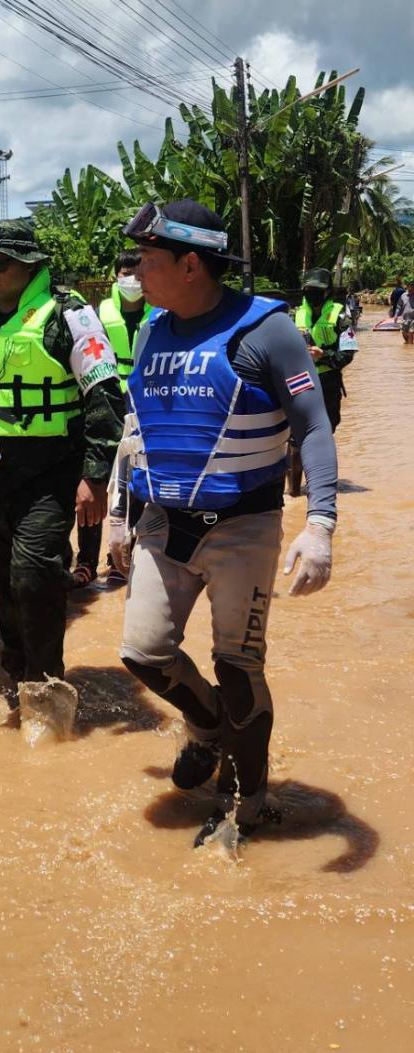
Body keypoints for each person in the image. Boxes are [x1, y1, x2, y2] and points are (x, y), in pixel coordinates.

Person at [113, 200, 338, 847]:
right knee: (143, 650)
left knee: (238, 666)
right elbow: (138, 429)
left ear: (190, 264)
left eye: (145, 261)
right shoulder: (151, 330)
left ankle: (248, 803)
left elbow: (313, 425)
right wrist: (118, 515)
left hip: (244, 522)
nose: (134, 273)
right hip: (164, 521)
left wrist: (319, 522)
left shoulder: (265, 331)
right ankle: (208, 725)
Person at [0, 219, 124, 706]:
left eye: (1, 264)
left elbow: (104, 396)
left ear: (30, 265)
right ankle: (18, 675)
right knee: (2, 579)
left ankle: (44, 691)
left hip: (51, 468)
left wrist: (95, 475)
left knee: (35, 574)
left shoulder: (70, 315)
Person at [70, 249, 153, 590]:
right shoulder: (99, 314)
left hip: (145, 406)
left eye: (137, 271)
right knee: (94, 478)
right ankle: (86, 561)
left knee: (134, 484)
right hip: (105, 404)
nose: (131, 278)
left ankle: (121, 557)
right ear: (116, 275)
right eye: (124, 271)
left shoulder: (159, 312)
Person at [287, 268, 357, 494]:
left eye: (316, 291)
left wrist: (324, 355)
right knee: (295, 438)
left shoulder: (341, 317)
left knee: (325, 433)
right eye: (308, 290)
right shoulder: (294, 315)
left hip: (328, 381)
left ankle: (321, 488)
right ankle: (294, 493)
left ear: (327, 292)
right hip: (299, 381)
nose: (311, 294)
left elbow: (348, 353)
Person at [393, 277, 414, 343]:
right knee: (404, 334)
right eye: (409, 287)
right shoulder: (403, 295)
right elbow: (399, 306)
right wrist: (396, 315)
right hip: (405, 318)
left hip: (413, 319)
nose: (410, 288)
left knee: (411, 333)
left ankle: (410, 348)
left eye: (412, 287)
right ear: (407, 287)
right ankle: (408, 348)